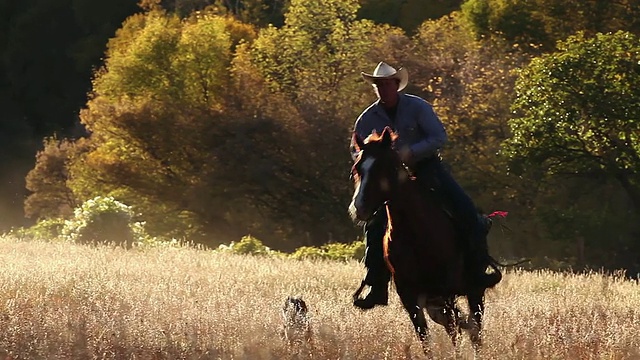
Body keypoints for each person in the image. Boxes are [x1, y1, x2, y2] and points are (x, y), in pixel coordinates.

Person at [350, 61, 501, 310]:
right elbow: (358, 153)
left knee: (465, 208)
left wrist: (410, 152)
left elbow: (438, 137)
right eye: (379, 85)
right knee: (374, 226)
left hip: (426, 168)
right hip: (389, 180)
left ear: (397, 85)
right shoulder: (367, 119)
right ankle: (376, 284)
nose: (383, 89)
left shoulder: (418, 107)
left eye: (387, 84)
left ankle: (479, 269)